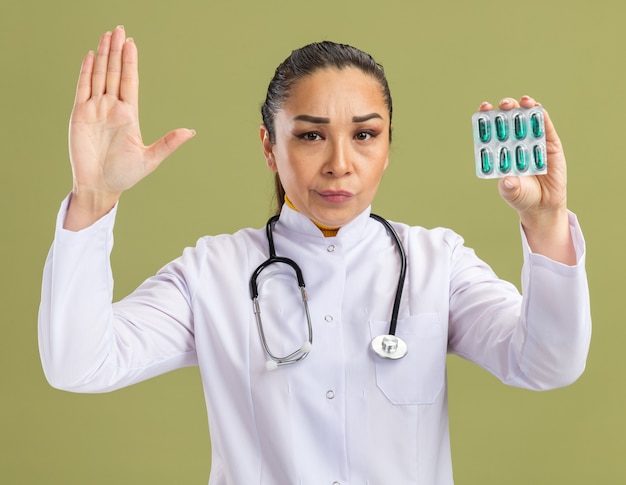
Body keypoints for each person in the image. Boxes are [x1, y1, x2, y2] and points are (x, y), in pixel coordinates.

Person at [39, 25, 591, 484]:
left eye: (365, 135)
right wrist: (94, 197)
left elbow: (546, 363)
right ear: (268, 147)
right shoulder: (211, 273)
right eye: (310, 136)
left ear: (388, 145)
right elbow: (79, 364)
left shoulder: (436, 263)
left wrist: (544, 225)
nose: (339, 164)